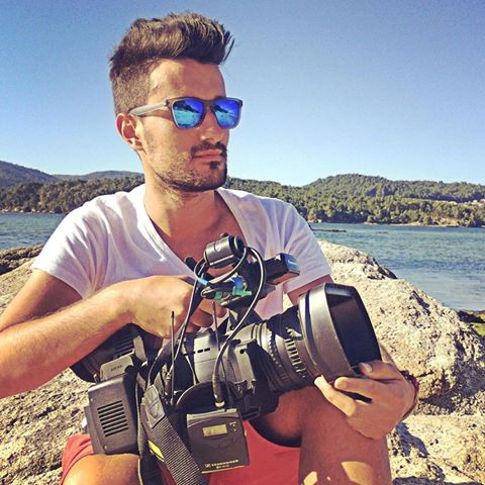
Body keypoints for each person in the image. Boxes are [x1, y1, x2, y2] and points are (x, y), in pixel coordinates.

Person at [0, 12, 417, 485]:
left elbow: (339, 335)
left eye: (223, 110)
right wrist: (123, 303)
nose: (213, 130)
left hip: (261, 421)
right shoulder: (97, 228)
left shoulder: (275, 220)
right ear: (131, 130)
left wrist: (400, 394)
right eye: (186, 111)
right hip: (144, 435)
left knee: (349, 415)